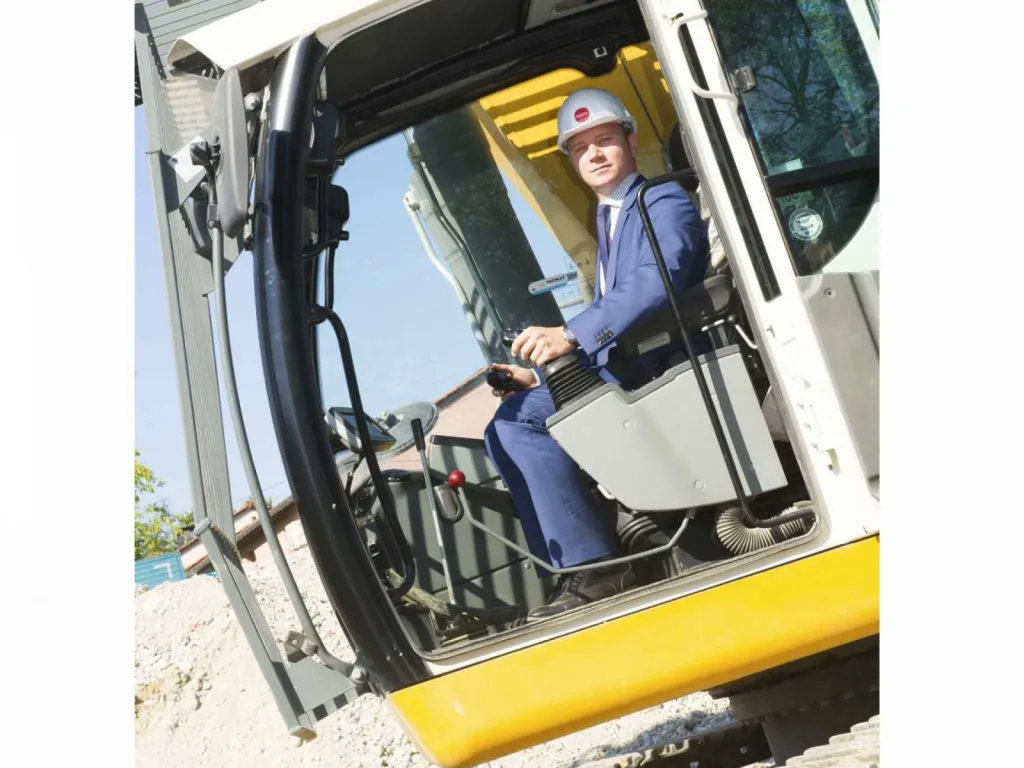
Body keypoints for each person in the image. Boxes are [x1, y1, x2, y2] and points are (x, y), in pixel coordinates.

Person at [483, 87, 710, 622]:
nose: (595, 155)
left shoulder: (659, 200)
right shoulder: (609, 219)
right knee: (506, 424)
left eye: (605, 140)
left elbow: (663, 276)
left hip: (662, 368)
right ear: (571, 160)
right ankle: (567, 571)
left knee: (519, 425)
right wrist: (546, 379)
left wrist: (572, 335)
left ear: (630, 141)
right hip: (626, 367)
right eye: (582, 148)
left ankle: (596, 567)